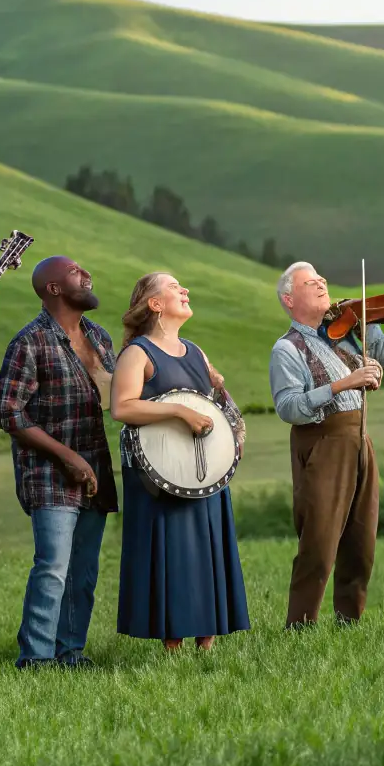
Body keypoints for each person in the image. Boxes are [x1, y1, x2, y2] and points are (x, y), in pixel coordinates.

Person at [270, 262, 384, 628]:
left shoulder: (350, 330)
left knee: (361, 542)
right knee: (319, 544)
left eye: (321, 278)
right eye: (312, 282)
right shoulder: (286, 349)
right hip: (322, 442)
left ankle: (349, 622)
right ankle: (300, 626)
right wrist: (345, 383)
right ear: (290, 300)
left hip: (360, 438)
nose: (322, 282)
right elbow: (289, 408)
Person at [112, 273, 249, 652]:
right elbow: (122, 407)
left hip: (203, 468)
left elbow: (217, 403)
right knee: (175, 552)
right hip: (157, 473)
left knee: (206, 548)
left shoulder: (195, 351)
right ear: (155, 304)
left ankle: (206, 641)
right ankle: (172, 644)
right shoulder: (137, 353)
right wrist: (178, 413)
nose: (185, 290)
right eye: (174, 287)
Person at [0, 256, 117, 670]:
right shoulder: (29, 342)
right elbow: (8, 412)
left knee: (83, 572)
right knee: (53, 568)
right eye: (76, 271)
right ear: (53, 288)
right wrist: (67, 458)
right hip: (49, 474)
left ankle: (70, 652)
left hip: (95, 469)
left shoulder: (99, 337)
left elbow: (118, 397)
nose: (87, 274)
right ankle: (36, 657)